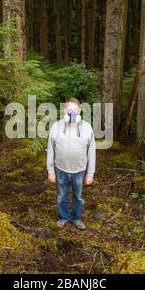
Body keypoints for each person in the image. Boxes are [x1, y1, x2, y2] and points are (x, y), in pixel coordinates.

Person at [46, 97, 96, 230]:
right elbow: (50, 149)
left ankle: (75, 218)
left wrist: (90, 173)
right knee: (61, 196)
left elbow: (91, 152)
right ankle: (64, 217)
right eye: (69, 109)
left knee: (78, 197)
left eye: (75, 109)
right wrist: (50, 171)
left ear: (79, 110)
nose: (72, 112)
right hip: (60, 169)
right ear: (65, 110)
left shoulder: (86, 127)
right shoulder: (56, 127)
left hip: (79, 170)